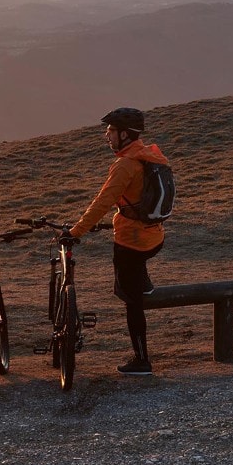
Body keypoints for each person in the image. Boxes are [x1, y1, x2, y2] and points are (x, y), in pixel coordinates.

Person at [68, 107, 170, 376]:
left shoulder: (125, 165)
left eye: (111, 131)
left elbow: (102, 202)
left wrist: (76, 231)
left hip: (132, 242)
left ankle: (141, 360)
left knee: (130, 299)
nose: (107, 135)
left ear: (125, 134)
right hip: (155, 236)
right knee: (136, 275)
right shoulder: (150, 155)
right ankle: (143, 282)